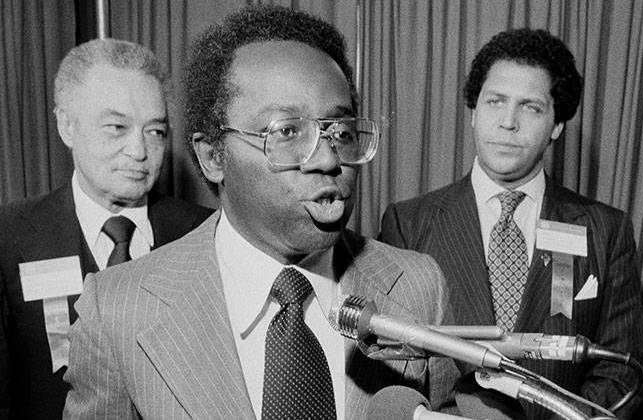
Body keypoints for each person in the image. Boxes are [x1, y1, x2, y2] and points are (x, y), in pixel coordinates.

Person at [62, 5, 456, 419]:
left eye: (339, 132)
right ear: (213, 155)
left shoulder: (417, 286)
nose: (326, 158)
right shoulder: (117, 310)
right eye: (287, 132)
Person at [379, 28, 643, 419]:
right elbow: (393, 360)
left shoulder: (605, 230)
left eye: (531, 107)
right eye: (495, 101)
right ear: (474, 112)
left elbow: (621, 370)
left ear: (556, 125)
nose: (508, 122)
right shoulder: (409, 222)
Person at [0, 38, 213, 419]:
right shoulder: (10, 238)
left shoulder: (204, 233)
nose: (139, 151)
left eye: (155, 132)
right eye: (117, 127)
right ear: (67, 126)